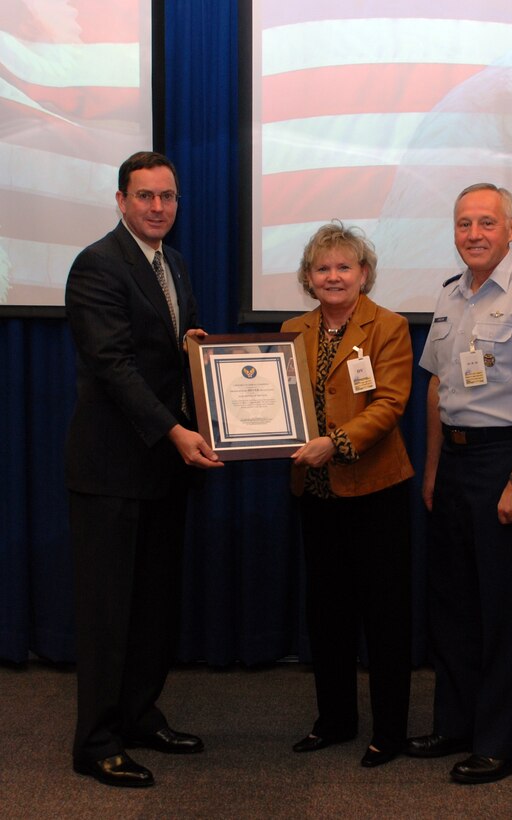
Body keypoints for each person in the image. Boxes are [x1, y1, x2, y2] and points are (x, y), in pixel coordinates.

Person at [65, 151, 223, 788]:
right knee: (108, 612)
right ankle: (96, 741)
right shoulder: (97, 265)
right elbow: (115, 367)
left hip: (163, 468)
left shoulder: (172, 263)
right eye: (146, 197)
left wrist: (197, 353)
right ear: (121, 200)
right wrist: (177, 430)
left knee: (154, 605)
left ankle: (138, 714)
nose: (159, 207)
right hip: (111, 469)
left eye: (169, 197)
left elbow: (164, 349)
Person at [407, 183, 512, 784]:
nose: (473, 234)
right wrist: (431, 472)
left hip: (506, 461)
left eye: (486, 223)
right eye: (463, 224)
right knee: (452, 606)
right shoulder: (451, 296)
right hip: (453, 464)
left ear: (511, 229)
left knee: (504, 610)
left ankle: (504, 744)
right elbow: (434, 388)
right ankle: (457, 723)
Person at [282, 220, 414, 768]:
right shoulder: (292, 329)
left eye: (344, 266)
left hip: (374, 491)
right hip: (315, 494)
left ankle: (391, 731)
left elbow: (389, 405)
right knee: (327, 613)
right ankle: (335, 720)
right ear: (308, 278)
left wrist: (333, 444)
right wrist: (200, 353)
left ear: (364, 273)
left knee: (383, 615)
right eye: (322, 268)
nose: (333, 276)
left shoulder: (389, 326)